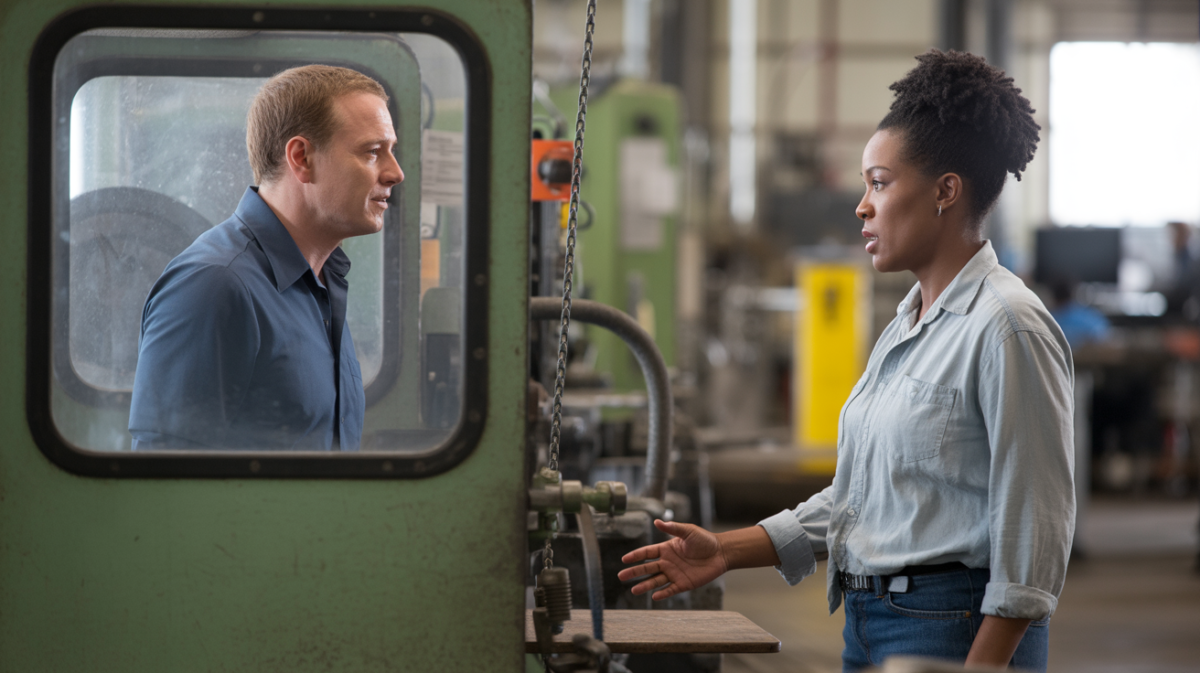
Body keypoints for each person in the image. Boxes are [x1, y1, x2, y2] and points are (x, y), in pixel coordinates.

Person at [619, 50, 1074, 672]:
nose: (862, 205)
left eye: (879, 183)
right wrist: (726, 549)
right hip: (870, 622)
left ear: (946, 191)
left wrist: (982, 666)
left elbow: (1037, 527)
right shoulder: (909, 323)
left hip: (954, 629)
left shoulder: (1007, 328)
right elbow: (867, 496)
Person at [129, 65, 404, 450]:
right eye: (373, 152)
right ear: (301, 158)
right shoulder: (214, 286)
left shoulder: (322, 281)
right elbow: (165, 484)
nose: (395, 173)